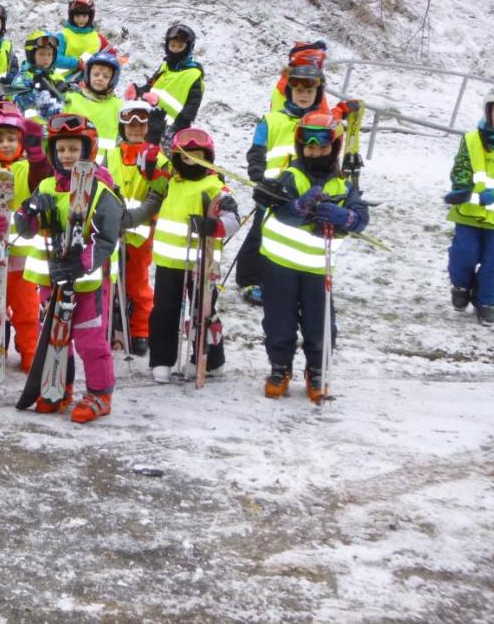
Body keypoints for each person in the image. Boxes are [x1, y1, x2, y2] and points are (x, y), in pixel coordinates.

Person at [14, 112, 124, 420]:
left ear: (87, 151)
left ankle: (100, 395)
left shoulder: (101, 191)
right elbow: (23, 227)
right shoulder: (47, 187)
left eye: (74, 149)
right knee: (54, 337)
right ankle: (59, 388)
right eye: (61, 149)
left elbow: (107, 237)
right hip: (50, 281)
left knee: (90, 341)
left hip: (86, 283)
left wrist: (81, 263)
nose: (67, 156)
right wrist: (31, 212)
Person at [254, 112, 370, 403]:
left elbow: (361, 218)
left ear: (334, 147)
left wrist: (347, 216)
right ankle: (280, 367)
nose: (315, 152)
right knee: (279, 320)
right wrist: (298, 207)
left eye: (322, 146)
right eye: (310, 146)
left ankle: (317, 370)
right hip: (280, 265)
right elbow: (278, 210)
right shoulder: (290, 176)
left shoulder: (342, 185)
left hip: (318, 268)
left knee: (320, 323)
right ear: (300, 146)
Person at [127, 127, 239, 383]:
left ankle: (209, 360)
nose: (191, 160)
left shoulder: (215, 186)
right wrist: (153, 141)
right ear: (177, 158)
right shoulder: (169, 180)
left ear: (207, 156)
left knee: (203, 312)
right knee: (164, 311)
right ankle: (162, 360)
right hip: (168, 263)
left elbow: (233, 219)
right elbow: (146, 167)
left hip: (202, 263)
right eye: (186, 156)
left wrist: (214, 226)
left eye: (197, 155)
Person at [237, 61, 330, 307]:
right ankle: (250, 279)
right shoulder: (271, 120)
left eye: (309, 92)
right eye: (299, 91)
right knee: (260, 234)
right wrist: (258, 175)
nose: (303, 96)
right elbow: (257, 151)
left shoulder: (322, 126)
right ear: (290, 92)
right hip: (272, 191)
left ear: (317, 95)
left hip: (301, 193)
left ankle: (287, 282)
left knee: (291, 239)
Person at [0, 101, 50, 372]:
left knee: (26, 308)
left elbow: (41, 178)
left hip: (21, 257)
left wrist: (38, 156)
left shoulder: (24, 168)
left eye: (12, 139)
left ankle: (29, 349)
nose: (5, 144)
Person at [443, 82, 494, 326]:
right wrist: (460, 188)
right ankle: (461, 286)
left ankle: (487, 301)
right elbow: (462, 167)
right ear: (488, 113)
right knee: (463, 253)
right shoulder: (471, 140)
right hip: (468, 212)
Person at [105, 100, 168, 355]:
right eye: (130, 124)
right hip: (110, 231)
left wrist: (134, 218)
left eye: (142, 125)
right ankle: (109, 324)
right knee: (108, 281)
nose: (136, 129)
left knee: (137, 284)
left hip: (140, 234)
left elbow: (159, 194)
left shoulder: (159, 159)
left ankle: (141, 329)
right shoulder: (109, 155)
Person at [127, 23, 204, 149]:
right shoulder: (165, 66)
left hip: (170, 130)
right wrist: (137, 91)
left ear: (188, 48)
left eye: (180, 46)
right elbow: (150, 86)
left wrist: (177, 130)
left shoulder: (194, 75)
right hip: (148, 120)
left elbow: (191, 110)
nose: (175, 49)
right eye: (172, 45)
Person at [62, 49, 124, 158]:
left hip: (105, 167)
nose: (100, 78)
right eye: (96, 74)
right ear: (88, 75)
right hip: (71, 161)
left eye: (105, 76)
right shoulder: (70, 100)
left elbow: (124, 138)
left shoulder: (118, 106)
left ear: (113, 80)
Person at [14, 30, 68, 122]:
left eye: (49, 54)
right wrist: (39, 91)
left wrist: (64, 92)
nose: (46, 58)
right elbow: (20, 103)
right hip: (32, 129)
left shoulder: (58, 77)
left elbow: (68, 104)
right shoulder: (23, 77)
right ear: (31, 55)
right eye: (41, 54)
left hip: (56, 129)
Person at [56, 0, 108, 71]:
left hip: (91, 79)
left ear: (90, 17)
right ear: (72, 16)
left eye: (84, 16)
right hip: (65, 79)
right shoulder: (63, 36)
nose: (81, 19)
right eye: (77, 16)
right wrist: (77, 63)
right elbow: (55, 58)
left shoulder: (97, 37)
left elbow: (110, 53)